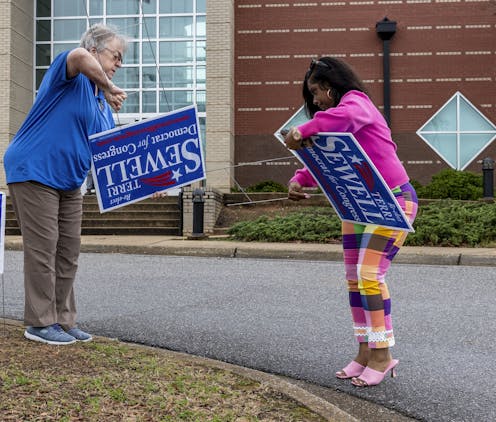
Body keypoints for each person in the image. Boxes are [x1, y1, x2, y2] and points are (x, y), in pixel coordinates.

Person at [284, 57, 418, 387]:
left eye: (316, 92)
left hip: (393, 201)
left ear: (331, 87)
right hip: (356, 205)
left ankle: (383, 355)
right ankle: (365, 352)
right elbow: (324, 157)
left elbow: (340, 118)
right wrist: (299, 179)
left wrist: (304, 129)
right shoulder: (330, 120)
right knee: (355, 281)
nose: (314, 101)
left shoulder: (357, 104)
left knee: (370, 275)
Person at [3, 23, 127, 345]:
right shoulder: (68, 72)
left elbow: (107, 153)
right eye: (116, 56)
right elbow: (77, 56)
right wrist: (108, 85)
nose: (118, 65)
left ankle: (64, 319)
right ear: (95, 51)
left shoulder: (101, 104)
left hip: (70, 181)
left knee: (68, 250)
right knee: (44, 248)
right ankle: (40, 323)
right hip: (34, 170)